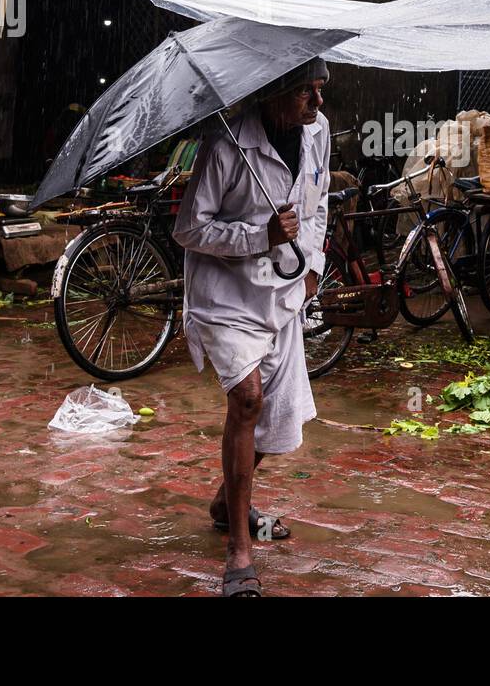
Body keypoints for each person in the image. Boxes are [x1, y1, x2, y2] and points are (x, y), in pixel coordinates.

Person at [172, 60, 330, 597]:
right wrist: (256, 235)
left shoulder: (318, 133)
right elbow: (190, 228)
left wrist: (312, 265)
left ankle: (225, 501)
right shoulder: (225, 144)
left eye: (319, 91)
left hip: (283, 292)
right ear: (272, 94)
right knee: (247, 400)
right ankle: (239, 548)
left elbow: (318, 205)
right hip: (226, 297)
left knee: (277, 410)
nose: (316, 103)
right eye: (304, 92)